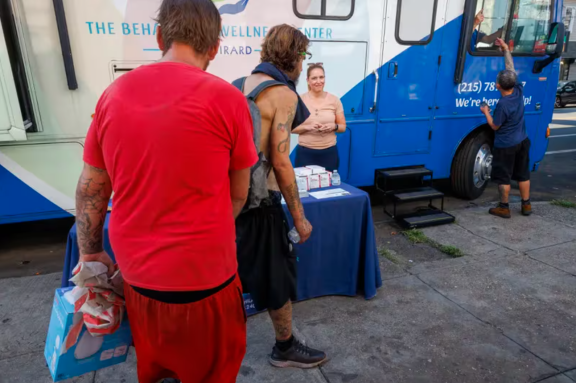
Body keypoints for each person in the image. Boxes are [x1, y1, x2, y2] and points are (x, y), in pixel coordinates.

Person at [75, 0, 257, 382]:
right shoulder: (230, 100)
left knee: (154, 368)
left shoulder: (113, 95)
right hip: (208, 280)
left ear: (159, 37)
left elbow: (92, 186)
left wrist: (91, 251)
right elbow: (239, 194)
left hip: (139, 279)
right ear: (215, 48)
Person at [234, 24, 327, 368]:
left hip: (232, 202)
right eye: (303, 57)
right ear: (295, 57)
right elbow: (281, 161)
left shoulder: (240, 85)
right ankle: (285, 347)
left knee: (233, 277)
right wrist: (300, 217)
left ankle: (222, 348)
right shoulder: (283, 94)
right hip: (263, 204)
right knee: (277, 276)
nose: (304, 66)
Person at [480, 38, 532, 219]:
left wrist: (486, 111)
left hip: (506, 146)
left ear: (498, 86)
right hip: (522, 141)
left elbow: (495, 125)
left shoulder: (502, 104)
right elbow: (510, 68)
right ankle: (526, 205)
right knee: (523, 174)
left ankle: (504, 207)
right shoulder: (518, 90)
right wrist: (505, 49)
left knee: (504, 177)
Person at [294, 64, 347, 171]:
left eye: (321, 77)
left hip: (329, 153)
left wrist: (334, 126)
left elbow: (343, 127)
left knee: (329, 186)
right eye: (314, 78)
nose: (318, 81)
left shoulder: (334, 100)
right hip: (305, 153)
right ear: (308, 80)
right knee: (305, 186)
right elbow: (291, 129)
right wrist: (307, 127)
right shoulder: (299, 100)